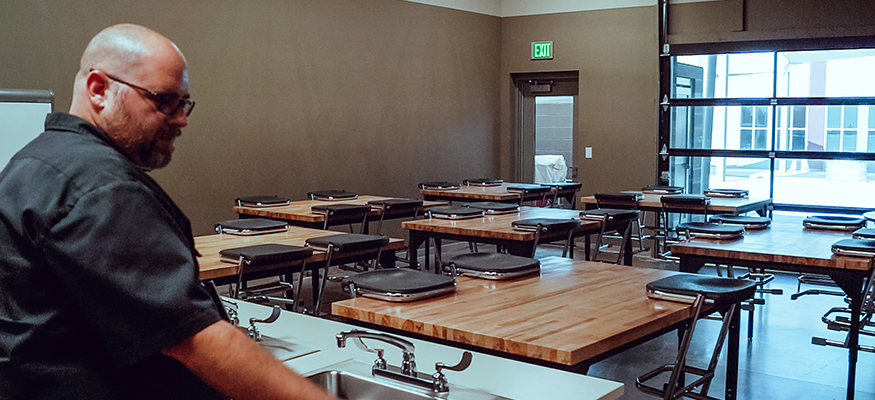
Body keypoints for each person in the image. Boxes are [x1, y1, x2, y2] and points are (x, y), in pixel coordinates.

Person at [0, 24, 336, 400]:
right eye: (164, 101)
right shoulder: (99, 187)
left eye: (184, 103)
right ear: (99, 89)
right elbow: (193, 338)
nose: (181, 119)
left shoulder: (32, 161)